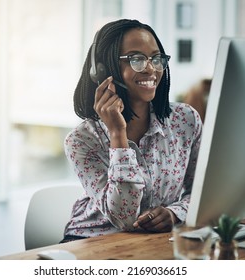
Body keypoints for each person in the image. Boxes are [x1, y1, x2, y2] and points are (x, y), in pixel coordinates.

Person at [62, 19, 202, 242]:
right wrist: (118, 134)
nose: (150, 68)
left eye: (156, 58)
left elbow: (203, 192)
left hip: (157, 241)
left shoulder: (185, 120)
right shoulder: (81, 140)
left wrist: (175, 213)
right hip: (93, 242)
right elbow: (124, 219)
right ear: (103, 70)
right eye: (136, 59)